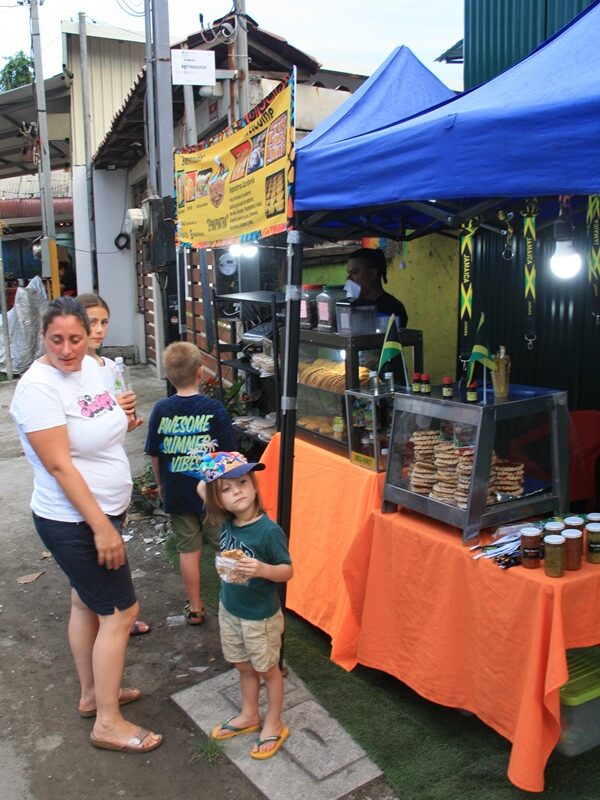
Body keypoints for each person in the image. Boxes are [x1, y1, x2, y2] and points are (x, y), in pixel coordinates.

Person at [9, 297, 162, 754]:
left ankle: (94, 696)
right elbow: (60, 465)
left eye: (76, 338)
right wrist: (102, 528)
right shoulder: (37, 390)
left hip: (103, 511)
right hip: (74, 520)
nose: (67, 349)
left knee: (84, 603)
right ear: (43, 336)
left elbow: (99, 429)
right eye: (56, 339)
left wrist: (124, 419)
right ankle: (108, 724)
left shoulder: (93, 368)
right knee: (120, 613)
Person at [198, 451, 293, 760]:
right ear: (218, 501)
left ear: (254, 485)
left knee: (268, 670)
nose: (236, 491)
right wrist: (212, 464)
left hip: (259, 618)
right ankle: (250, 714)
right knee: (242, 665)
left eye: (242, 482)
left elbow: (287, 571)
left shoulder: (268, 531)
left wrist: (263, 569)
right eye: (226, 489)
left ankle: (274, 722)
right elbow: (202, 487)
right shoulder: (227, 520)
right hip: (229, 609)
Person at [145, 341, 238, 625]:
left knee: (188, 550)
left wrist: (161, 485)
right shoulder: (214, 409)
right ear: (200, 373)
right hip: (212, 493)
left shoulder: (161, 410)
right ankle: (234, 605)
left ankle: (196, 608)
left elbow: (155, 454)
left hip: (177, 492)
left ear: (168, 376)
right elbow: (228, 456)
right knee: (224, 547)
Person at [77, 293, 149, 638]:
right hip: (91, 489)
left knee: (98, 571)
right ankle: (116, 616)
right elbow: (84, 429)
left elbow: (111, 426)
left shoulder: (108, 365)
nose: (99, 329)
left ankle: (112, 616)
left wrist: (127, 421)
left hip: (112, 478)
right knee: (103, 565)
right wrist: (115, 415)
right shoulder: (77, 370)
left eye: (104, 322)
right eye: (91, 322)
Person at [345, 247, 409, 328]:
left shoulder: (392, 308)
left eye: (354, 272)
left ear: (373, 273)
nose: (348, 278)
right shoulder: (352, 305)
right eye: (348, 273)